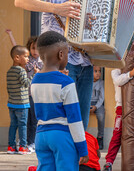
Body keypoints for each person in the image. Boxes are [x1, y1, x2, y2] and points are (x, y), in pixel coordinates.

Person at [14, 0, 104, 129]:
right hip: (60, 57)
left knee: (79, 124)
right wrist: (56, 8)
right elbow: (20, 0)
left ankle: (74, 163)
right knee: (59, 122)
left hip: (86, 59)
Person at [31, 31, 88, 170]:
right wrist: (83, 149)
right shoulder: (66, 82)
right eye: (67, 53)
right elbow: (74, 118)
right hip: (61, 136)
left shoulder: (35, 80)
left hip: (41, 135)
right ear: (61, 54)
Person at [103, 64, 134, 171]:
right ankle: (109, 162)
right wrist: (130, 74)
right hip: (121, 108)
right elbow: (117, 81)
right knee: (116, 135)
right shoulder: (115, 71)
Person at [6, 45, 32, 155]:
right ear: (17, 58)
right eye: (26, 56)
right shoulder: (21, 71)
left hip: (12, 103)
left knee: (13, 125)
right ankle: (23, 147)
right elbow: (26, 84)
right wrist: (33, 75)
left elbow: (9, 88)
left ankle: (11, 147)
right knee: (23, 125)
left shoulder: (9, 71)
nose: (28, 59)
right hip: (22, 104)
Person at [25, 36, 43, 152]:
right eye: (33, 48)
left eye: (37, 49)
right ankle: (28, 142)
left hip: (38, 95)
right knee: (28, 120)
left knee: (35, 120)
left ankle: (33, 142)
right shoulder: (28, 60)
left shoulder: (42, 61)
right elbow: (17, 49)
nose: (35, 51)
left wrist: (38, 72)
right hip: (27, 95)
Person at [90, 66, 105, 150]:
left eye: (99, 71)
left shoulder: (101, 83)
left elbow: (101, 97)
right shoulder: (87, 82)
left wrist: (96, 106)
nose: (98, 73)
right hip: (87, 103)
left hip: (97, 104)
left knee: (101, 115)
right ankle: (82, 136)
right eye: (95, 71)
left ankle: (100, 137)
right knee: (80, 114)